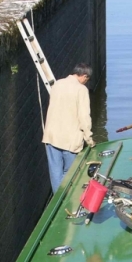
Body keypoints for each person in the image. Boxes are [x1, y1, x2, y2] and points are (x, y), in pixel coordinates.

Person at [42, 62, 95, 193]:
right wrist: (89, 139)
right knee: (70, 172)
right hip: (70, 139)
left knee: (55, 173)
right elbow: (84, 117)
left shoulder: (57, 84)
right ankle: (67, 198)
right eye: (87, 79)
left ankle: (58, 200)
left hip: (51, 136)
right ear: (84, 76)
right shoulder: (81, 90)